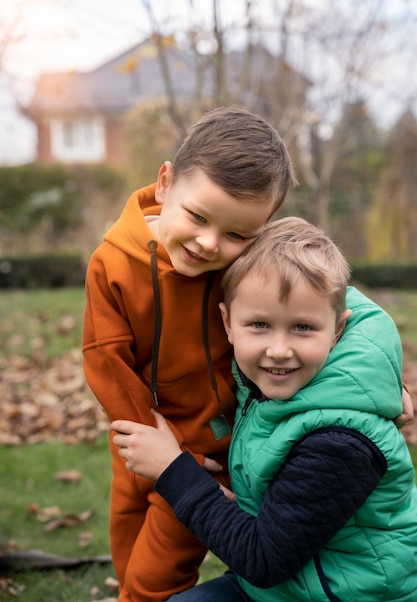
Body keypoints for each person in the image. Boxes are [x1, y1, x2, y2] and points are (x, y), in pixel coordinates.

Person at [112, 217, 417, 602]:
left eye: (303, 328)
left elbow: (263, 561)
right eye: (259, 324)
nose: (278, 349)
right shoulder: (266, 384)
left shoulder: (340, 442)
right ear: (227, 323)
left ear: (338, 331)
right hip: (287, 586)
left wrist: (173, 470)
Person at [82, 106, 296, 602]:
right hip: (143, 437)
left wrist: (388, 381)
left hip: (212, 454)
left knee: (155, 578)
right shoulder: (112, 264)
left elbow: (338, 311)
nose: (208, 243)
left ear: (262, 228)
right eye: (197, 217)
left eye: (237, 234)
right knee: (130, 553)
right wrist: (156, 447)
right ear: (165, 183)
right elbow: (106, 360)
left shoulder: (254, 264)